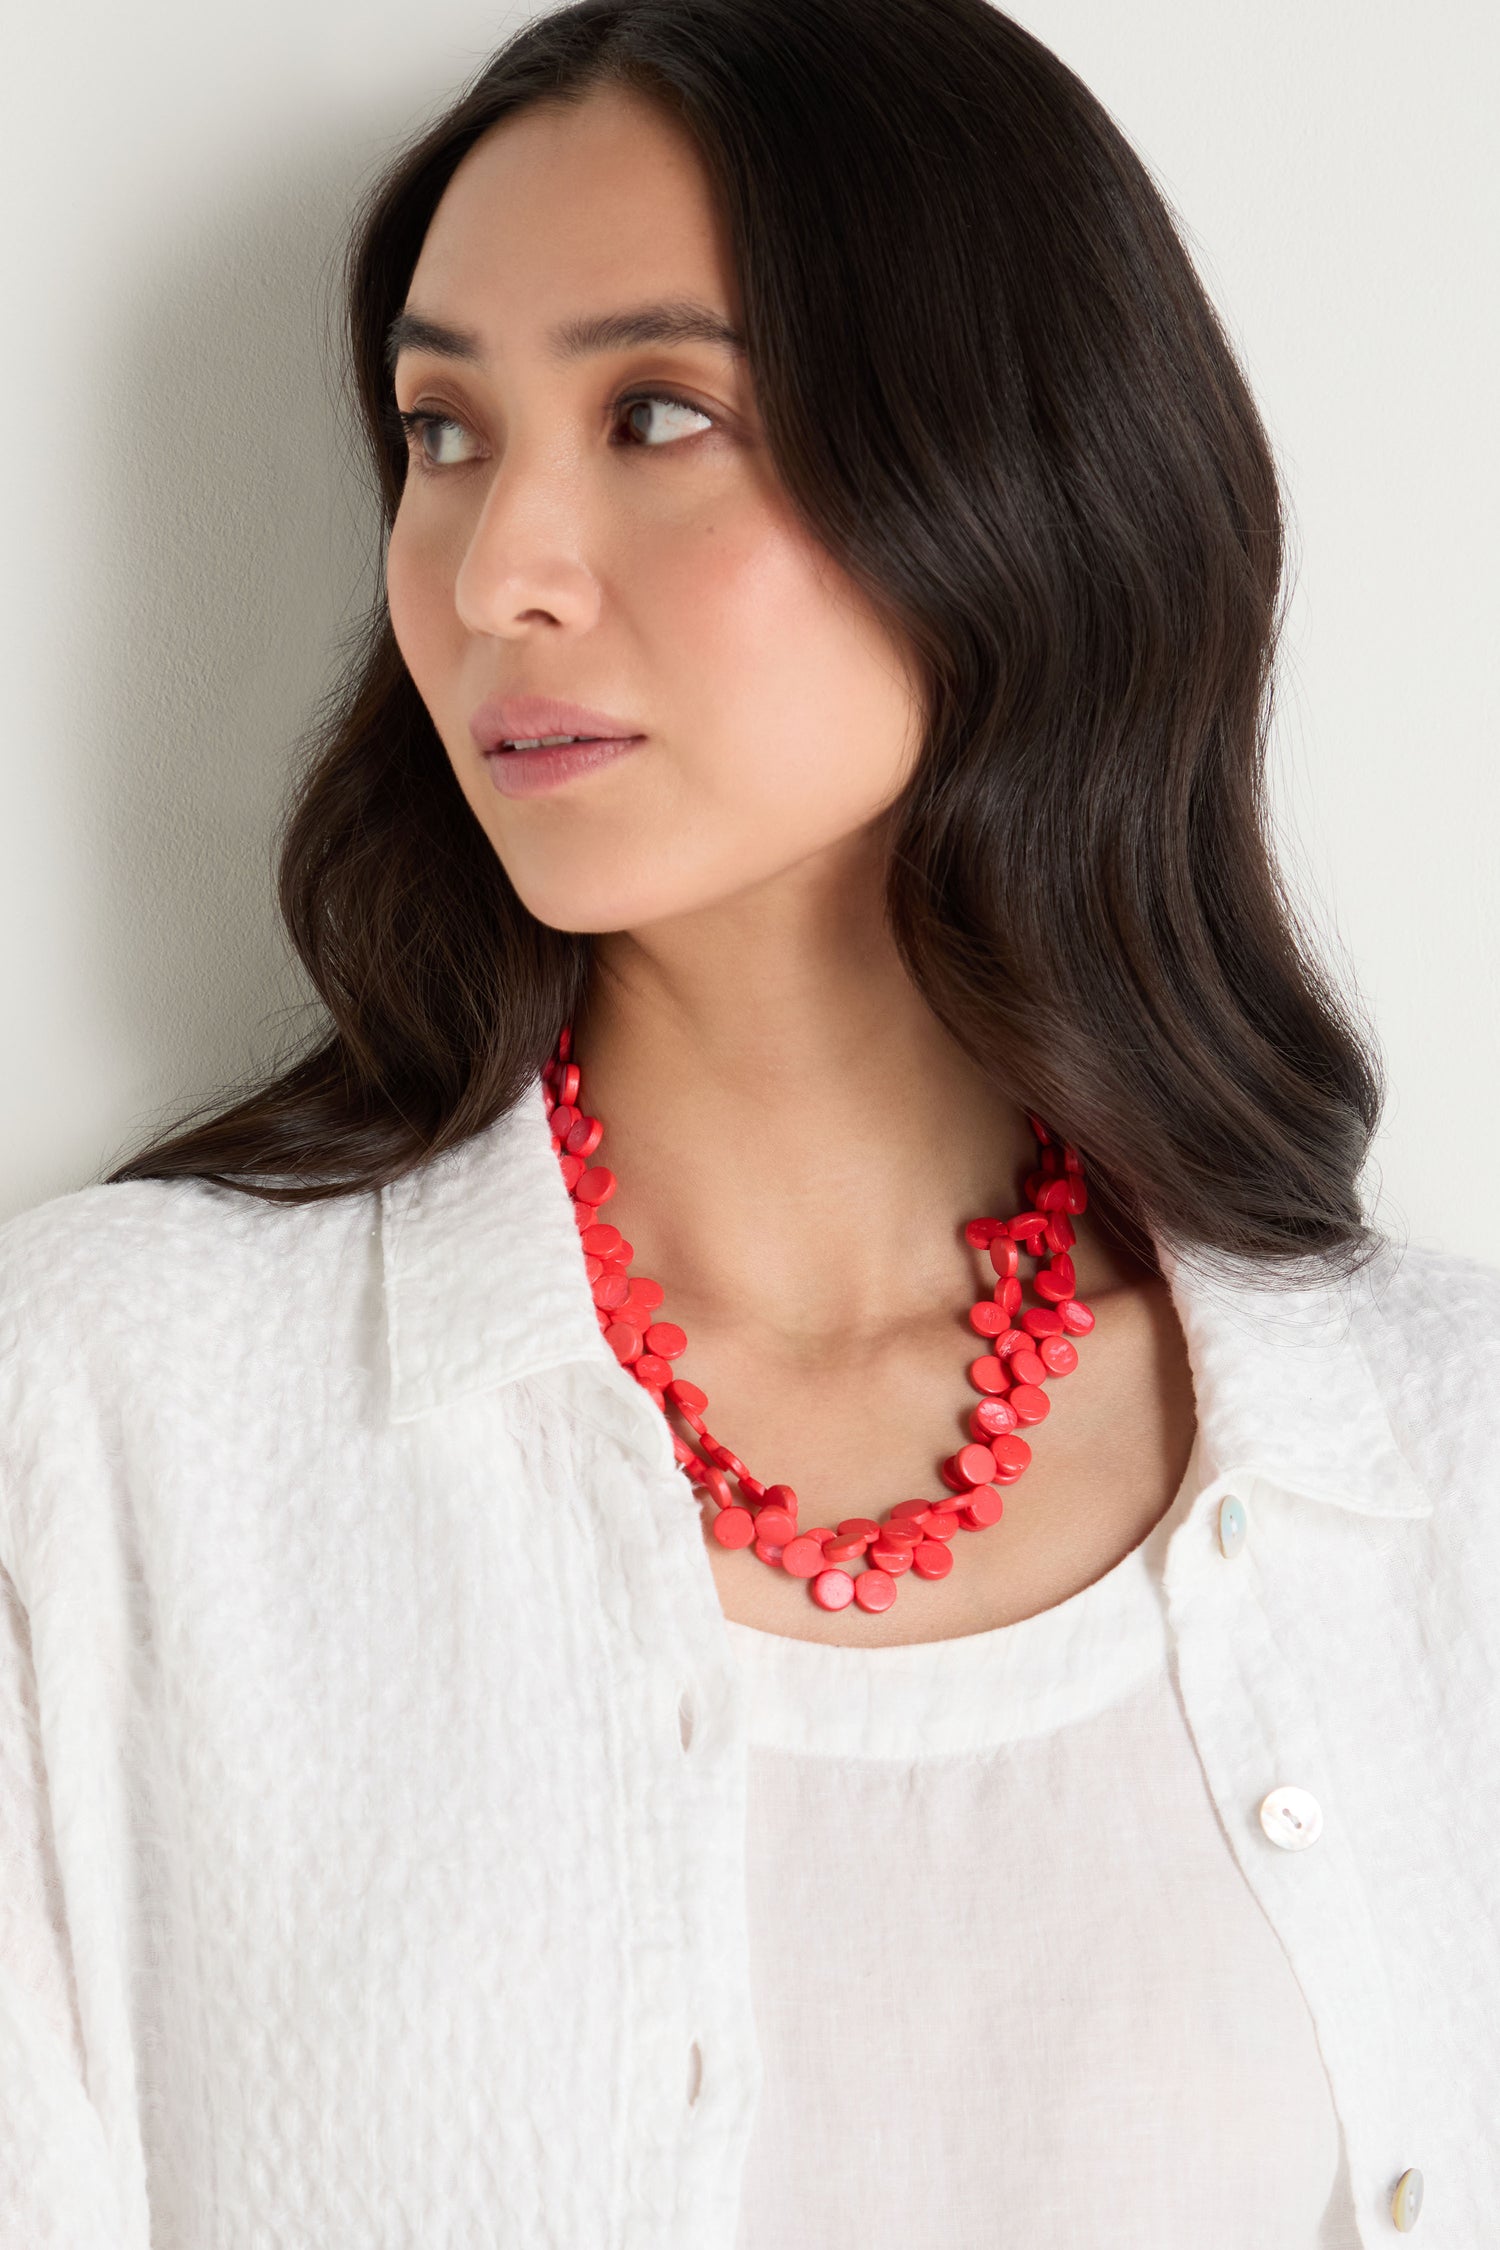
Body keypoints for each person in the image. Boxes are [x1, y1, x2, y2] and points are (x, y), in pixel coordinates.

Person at [1, 0, 1494, 2242]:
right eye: (439, 431)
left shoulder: (1444, 1462)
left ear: (1010, 474)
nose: (497, 567)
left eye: (660, 412)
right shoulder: (128, 1418)